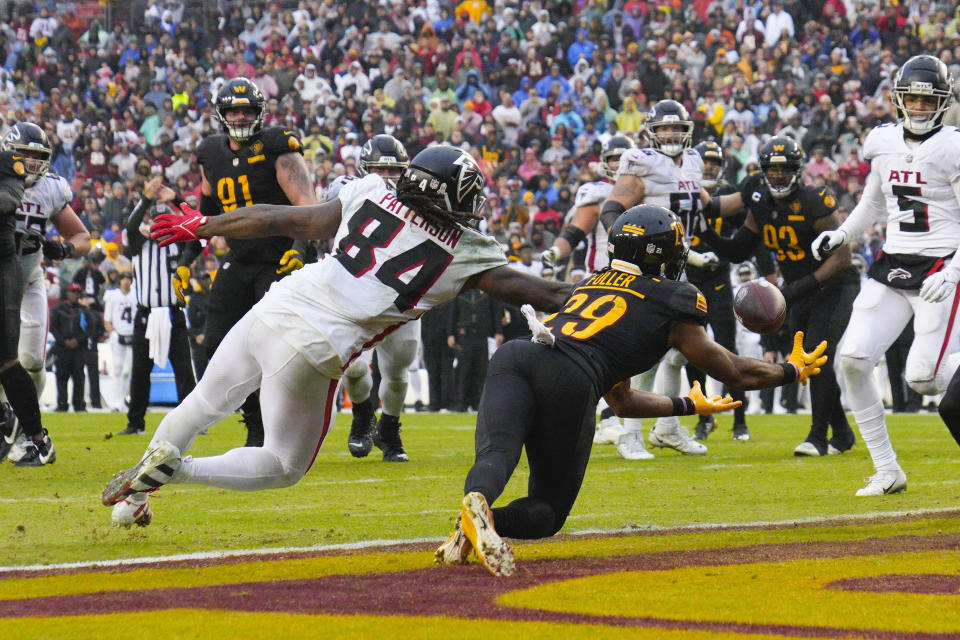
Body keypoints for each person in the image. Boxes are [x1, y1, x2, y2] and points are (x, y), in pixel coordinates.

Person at [102, 145, 572, 528]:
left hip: (275, 306)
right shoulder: (467, 251)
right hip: (314, 347)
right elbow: (548, 293)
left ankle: (136, 498)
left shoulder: (369, 192)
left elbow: (276, 218)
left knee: (203, 401)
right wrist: (623, 288)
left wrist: (206, 224)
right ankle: (178, 470)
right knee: (285, 465)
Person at [435, 205, 827, 577]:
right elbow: (735, 372)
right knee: (548, 511)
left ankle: (476, 511)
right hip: (570, 379)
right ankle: (489, 521)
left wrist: (686, 404)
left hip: (517, 356)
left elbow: (621, 400)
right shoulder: (674, 300)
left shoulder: (590, 283)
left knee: (498, 452)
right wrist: (790, 370)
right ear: (664, 257)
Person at [813, 55, 960, 495]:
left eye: (925, 99)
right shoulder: (881, 141)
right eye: (910, 98)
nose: (917, 106)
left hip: (941, 265)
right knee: (853, 360)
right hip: (892, 262)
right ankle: (887, 469)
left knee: (924, 378)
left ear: (942, 101)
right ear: (898, 98)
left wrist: (954, 271)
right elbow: (875, 205)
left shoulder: (953, 146)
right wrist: (842, 234)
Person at [698, 136, 859, 457]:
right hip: (797, 290)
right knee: (811, 360)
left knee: (814, 355)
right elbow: (738, 244)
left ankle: (817, 437)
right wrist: (706, 232)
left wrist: (795, 288)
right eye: (772, 170)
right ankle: (841, 433)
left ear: (798, 171)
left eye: (785, 170)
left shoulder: (814, 200)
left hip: (834, 287)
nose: (778, 176)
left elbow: (842, 257)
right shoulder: (759, 198)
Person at [191, 77, 318, 448]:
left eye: (247, 109)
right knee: (214, 341)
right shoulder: (210, 153)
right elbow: (207, 213)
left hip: (280, 258)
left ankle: (286, 424)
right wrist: (186, 258)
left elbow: (307, 208)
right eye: (234, 110)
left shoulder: (278, 146)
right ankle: (254, 422)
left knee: (273, 346)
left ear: (260, 113)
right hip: (240, 257)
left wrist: (299, 248)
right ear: (222, 114)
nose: (241, 116)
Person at [599, 100, 720, 457]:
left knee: (682, 351)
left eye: (676, 129)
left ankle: (666, 427)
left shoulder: (694, 162)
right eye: (664, 128)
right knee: (648, 354)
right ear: (651, 131)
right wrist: (623, 250)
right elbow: (612, 209)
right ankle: (629, 435)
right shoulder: (643, 163)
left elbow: (705, 207)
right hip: (647, 271)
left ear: (687, 132)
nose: (670, 135)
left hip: (678, 269)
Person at [336, 135, 422, 462]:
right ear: (364, 170)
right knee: (354, 367)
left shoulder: (420, 201)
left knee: (398, 369)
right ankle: (362, 416)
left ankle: (390, 428)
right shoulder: (347, 190)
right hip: (359, 290)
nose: (386, 178)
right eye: (377, 169)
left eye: (394, 171)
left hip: (403, 294)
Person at [2, 123, 91, 400]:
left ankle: (28, 423)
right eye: (25, 155)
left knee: (32, 361)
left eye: (37, 156)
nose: (32, 162)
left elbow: (82, 238)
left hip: (28, 279)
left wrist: (63, 250)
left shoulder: (50, 188)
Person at [119, 177, 197, 436]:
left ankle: (191, 422)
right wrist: (146, 198)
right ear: (150, 223)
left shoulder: (181, 245)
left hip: (173, 313)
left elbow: (197, 226)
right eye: (157, 221)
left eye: (167, 221)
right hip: (147, 314)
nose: (162, 226)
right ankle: (135, 422)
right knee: (140, 371)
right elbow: (130, 226)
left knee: (184, 370)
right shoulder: (140, 245)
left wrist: (175, 199)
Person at [0, 148, 55, 466]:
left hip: (4, 269)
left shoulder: (9, 164)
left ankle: (39, 440)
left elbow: (8, 199)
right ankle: (5, 419)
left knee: (7, 362)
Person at [51, 283, 93, 412]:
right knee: (61, 377)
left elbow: (89, 330)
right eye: (73, 292)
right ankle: (62, 404)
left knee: (79, 378)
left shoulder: (84, 311)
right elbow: (53, 328)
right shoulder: (59, 310)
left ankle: (78, 404)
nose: (75, 294)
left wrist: (78, 341)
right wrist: (64, 341)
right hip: (62, 349)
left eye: (77, 292)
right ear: (67, 293)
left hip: (78, 349)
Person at [103, 271, 136, 411]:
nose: (126, 281)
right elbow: (107, 319)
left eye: (128, 279)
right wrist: (113, 333)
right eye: (124, 279)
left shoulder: (136, 295)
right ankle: (117, 402)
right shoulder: (113, 296)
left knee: (128, 370)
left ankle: (127, 399)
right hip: (118, 334)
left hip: (133, 334)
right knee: (117, 368)